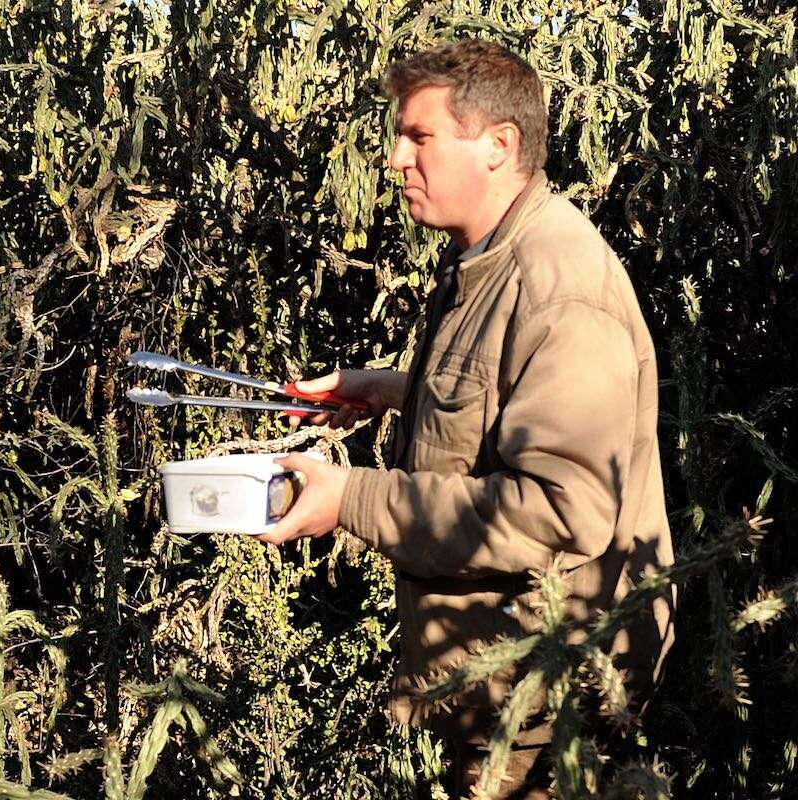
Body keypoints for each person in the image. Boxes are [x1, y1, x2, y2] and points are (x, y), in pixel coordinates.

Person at [258, 40, 676, 799]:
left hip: (548, 709)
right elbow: (493, 403)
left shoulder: (558, 288)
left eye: (418, 137)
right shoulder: (483, 259)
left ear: (499, 146)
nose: (394, 160)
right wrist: (382, 388)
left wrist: (348, 500)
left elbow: (556, 510)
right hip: (497, 690)